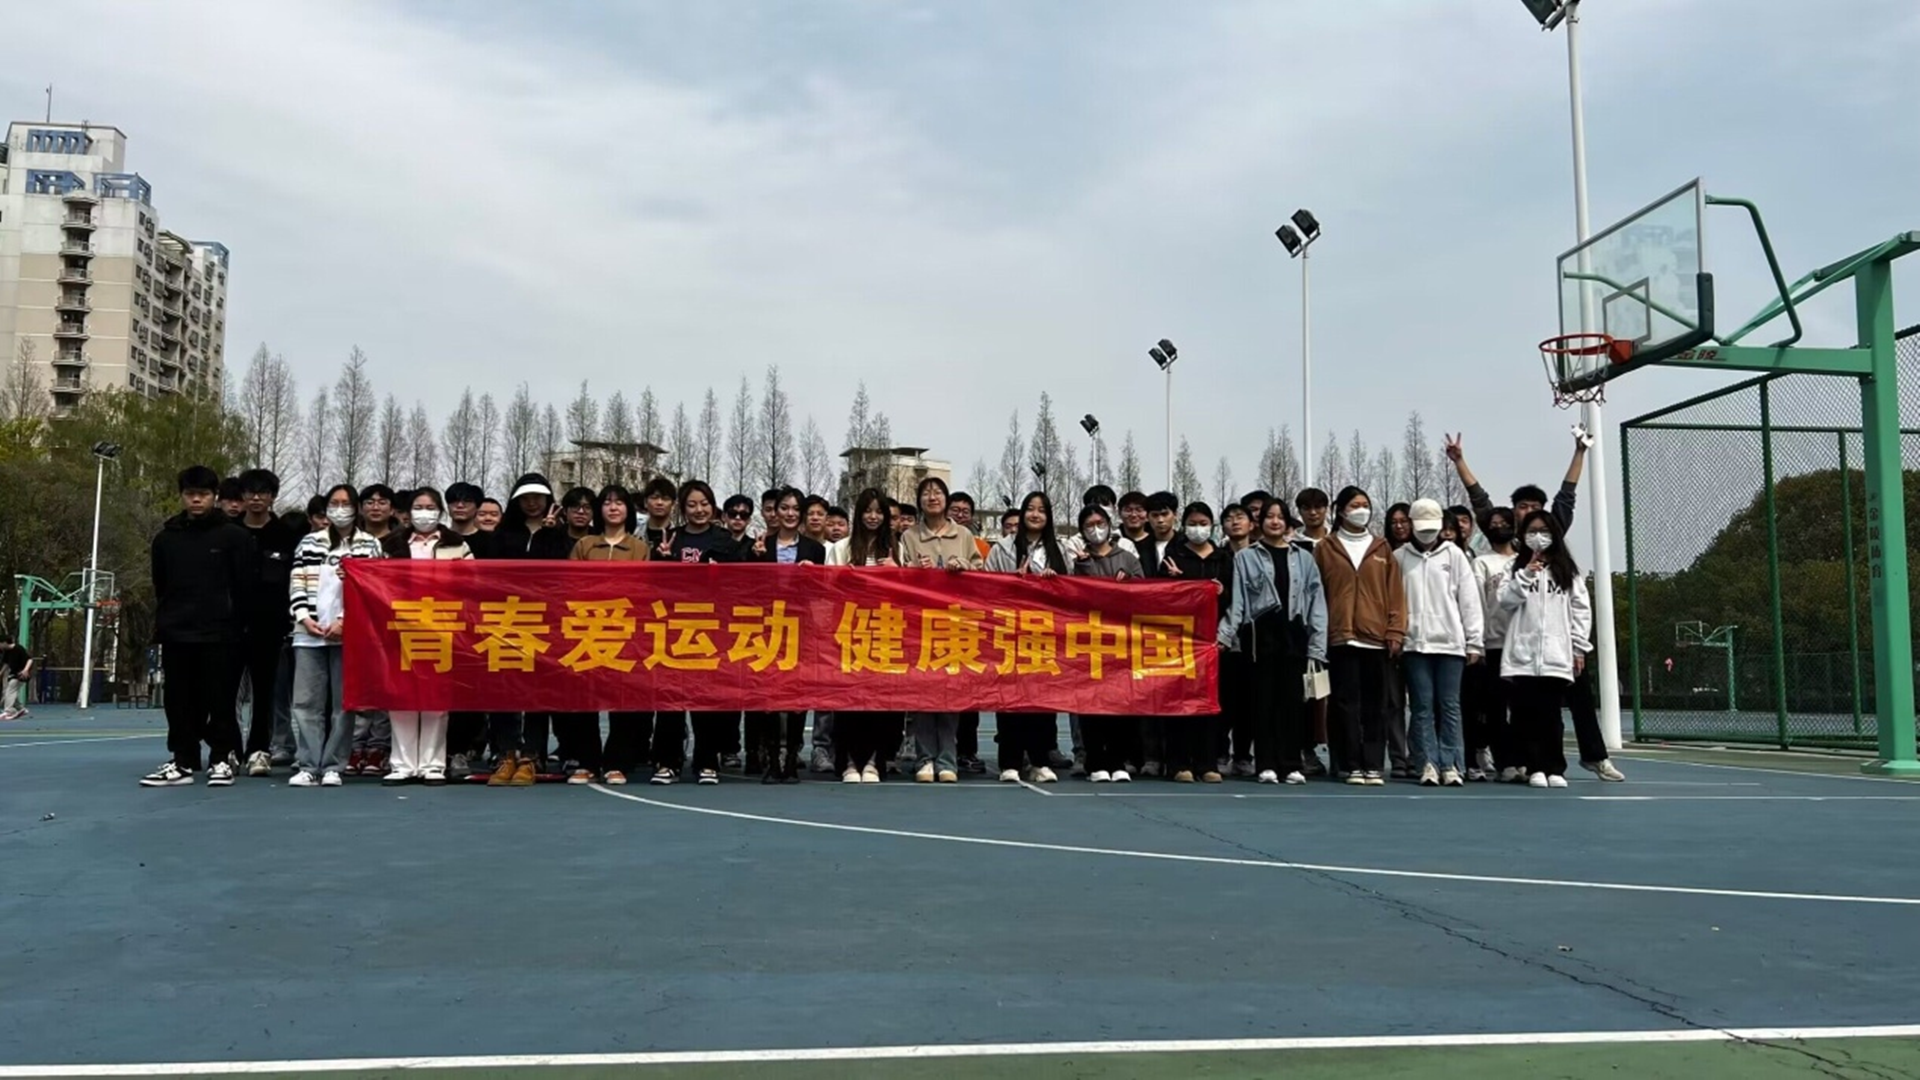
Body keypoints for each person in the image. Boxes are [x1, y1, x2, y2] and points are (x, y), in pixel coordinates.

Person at [1448, 432, 1623, 782]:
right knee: (1516, 708)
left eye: (1535, 507)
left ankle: (1594, 756)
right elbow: (1479, 498)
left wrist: (1580, 452)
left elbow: (1567, 495)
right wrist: (1459, 461)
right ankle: (1520, 762)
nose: (1530, 514)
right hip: (1509, 640)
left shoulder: (1552, 544)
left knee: (1576, 698)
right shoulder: (1504, 539)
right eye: (1522, 506)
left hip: (1557, 642)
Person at [141, 466, 257, 788]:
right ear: (182, 496)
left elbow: (245, 585)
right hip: (177, 632)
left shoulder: (235, 537)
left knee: (221, 699)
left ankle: (221, 759)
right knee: (178, 701)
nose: (196, 500)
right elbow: (161, 584)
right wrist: (168, 621)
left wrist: (238, 625)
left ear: (214, 496)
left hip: (222, 634)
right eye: (190, 494)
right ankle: (183, 760)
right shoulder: (166, 539)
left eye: (203, 494)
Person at [1218, 500, 1327, 784]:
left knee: (1293, 703)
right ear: (1260, 522)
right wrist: (1225, 635)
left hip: (1294, 634)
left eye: (1280, 517)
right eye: (1269, 517)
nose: (1275, 522)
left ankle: (1291, 764)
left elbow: (1316, 602)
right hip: (1259, 637)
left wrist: (1318, 645)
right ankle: (1265, 763)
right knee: (1262, 702)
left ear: (1287, 522)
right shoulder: (1245, 557)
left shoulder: (1304, 558)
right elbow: (1238, 602)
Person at [285, 484, 383, 788]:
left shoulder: (369, 544)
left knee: (344, 704)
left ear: (356, 508)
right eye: (334, 503)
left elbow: (373, 588)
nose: (340, 509)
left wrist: (345, 620)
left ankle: (333, 765)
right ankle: (308, 764)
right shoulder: (309, 542)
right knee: (306, 703)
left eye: (346, 503)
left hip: (349, 635)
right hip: (308, 634)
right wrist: (304, 617)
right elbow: (297, 581)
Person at [481, 473, 574, 787]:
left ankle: (532, 756)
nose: (532, 503)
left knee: (538, 692)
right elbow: (489, 576)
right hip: (506, 620)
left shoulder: (558, 534)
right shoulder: (502, 535)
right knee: (503, 691)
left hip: (544, 622)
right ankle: (506, 753)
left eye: (538, 497)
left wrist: (552, 533)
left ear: (548, 500)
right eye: (526, 498)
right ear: (516, 501)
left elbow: (564, 573)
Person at [379, 487, 474, 784]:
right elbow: (376, 581)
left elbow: (472, 583)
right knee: (401, 697)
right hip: (401, 628)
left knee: (436, 698)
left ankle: (433, 764)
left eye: (430, 507)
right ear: (408, 512)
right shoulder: (391, 544)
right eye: (418, 507)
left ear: (440, 511)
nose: (424, 513)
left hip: (441, 627)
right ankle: (402, 764)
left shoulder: (457, 544)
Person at [1314, 486, 1403, 786]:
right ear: (1341, 511)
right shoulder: (1325, 548)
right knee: (1344, 703)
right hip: (1340, 637)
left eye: (1365, 504)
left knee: (1376, 704)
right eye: (1354, 505)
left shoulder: (1382, 548)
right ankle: (1350, 763)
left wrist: (1395, 630)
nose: (1361, 510)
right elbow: (1316, 594)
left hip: (1375, 638)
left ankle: (1374, 764)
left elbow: (1395, 594)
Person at [1499, 510, 1592, 790]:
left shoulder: (1567, 571)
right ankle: (1534, 767)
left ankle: (1555, 767)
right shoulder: (1513, 568)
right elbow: (1505, 601)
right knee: (1526, 714)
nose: (1538, 537)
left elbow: (1580, 610)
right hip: (1523, 655)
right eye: (1532, 531)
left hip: (1555, 655)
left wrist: (1578, 648)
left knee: (1552, 715)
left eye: (1544, 531)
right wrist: (1527, 573)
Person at [1394, 499, 1484, 788]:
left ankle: (1451, 764)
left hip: (1450, 645)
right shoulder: (1399, 557)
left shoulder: (1454, 555)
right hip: (1414, 645)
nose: (1426, 534)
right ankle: (1427, 764)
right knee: (1422, 707)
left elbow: (1468, 600)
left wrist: (1474, 641)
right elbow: (1394, 601)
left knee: (1450, 706)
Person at [985, 491, 1072, 784]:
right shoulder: (1002, 549)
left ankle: (1039, 761)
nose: (1035, 515)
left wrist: (1054, 582)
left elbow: (1072, 592)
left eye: (1041, 510)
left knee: (1041, 702)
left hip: (1045, 635)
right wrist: (1014, 582)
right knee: (1009, 699)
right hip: (1009, 634)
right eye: (1030, 509)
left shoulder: (1059, 550)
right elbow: (986, 588)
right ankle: (1009, 762)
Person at [901, 477, 981, 782]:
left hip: (954, 624)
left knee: (950, 695)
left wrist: (965, 566)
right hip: (919, 624)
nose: (932, 497)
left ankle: (947, 759)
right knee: (923, 694)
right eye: (926, 493)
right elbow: (897, 576)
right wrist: (914, 571)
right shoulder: (909, 536)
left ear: (946, 499)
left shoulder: (963, 535)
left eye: (937, 492)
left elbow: (981, 573)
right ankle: (925, 759)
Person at [827, 488, 898, 783]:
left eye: (879, 511)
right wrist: (843, 577)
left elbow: (909, 591)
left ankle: (873, 761)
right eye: (868, 511)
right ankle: (847, 762)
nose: (873, 517)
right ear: (858, 514)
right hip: (849, 633)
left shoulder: (896, 548)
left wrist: (898, 570)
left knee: (879, 703)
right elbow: (826, 587)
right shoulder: (840, 548)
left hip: (884, 632)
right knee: (848, 702)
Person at [235, 468, 302, 777]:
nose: (256, 498)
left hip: (270, 628)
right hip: (230, 627)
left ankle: (259, 750)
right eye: (250, 492)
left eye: (263, 492)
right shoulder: (229, 533)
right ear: (242, 496)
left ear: (273, 497)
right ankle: (229, 750)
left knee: (265, 694)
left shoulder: (286, 536)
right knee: (227, 694)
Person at [1159, 502, 1232, 783]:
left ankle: (1207, 763)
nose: (1198, 528)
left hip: (1213, 642)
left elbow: (1235, 599)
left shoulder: (1223, 558)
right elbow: (1159, 596)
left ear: (1212, 525)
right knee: (1179, 703)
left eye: (1203, 523)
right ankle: (1178, 763)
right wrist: (1177, 581)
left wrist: (1222, 593)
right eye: (1192, 523)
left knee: (1210, 704)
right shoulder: (1174, 556)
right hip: (1180, 642)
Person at [1070, 504, 1142, 782]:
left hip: (1121, 640)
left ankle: (1118, 760)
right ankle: (1095, 761)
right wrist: (1084, 567)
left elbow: (1146, 593)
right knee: (1091, 704)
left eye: (1100, 523)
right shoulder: (1078, 560)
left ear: (1109, 525)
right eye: (1089, 525)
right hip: (1089, 641)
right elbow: (1073, 596)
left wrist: (1130, 582)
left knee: (1121, 703)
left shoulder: (1127, 557)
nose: (1096, 529)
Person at [1471, 506, 1520, 782]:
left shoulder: (1526, 561)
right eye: (1494, 523)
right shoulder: (1481, 563)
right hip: (1494, 645)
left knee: (1524, 708)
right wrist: (1477, 642)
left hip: (1523, 646)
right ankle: (1505, 763)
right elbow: (1477, 604)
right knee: (1496, 708)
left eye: (1504, 522)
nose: (1499, 527)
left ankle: (1527, 761)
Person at [0, 639, 34, 721]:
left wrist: (25, 670)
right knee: (7, 692)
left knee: (10, 690)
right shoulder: (7, 651)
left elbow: (30, 659)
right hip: (13, 674)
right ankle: (21, 709)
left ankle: (9, 711)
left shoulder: (19, 648)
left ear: (4, 642)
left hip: (21, 674)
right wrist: (1, 673)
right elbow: (6, 664)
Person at [641, 478, 679, 550]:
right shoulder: (634, 534)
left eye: (665, 499)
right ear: (645, 502)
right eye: (654, 498)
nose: (659, 503)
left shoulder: (679, 537)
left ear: (673, 505)